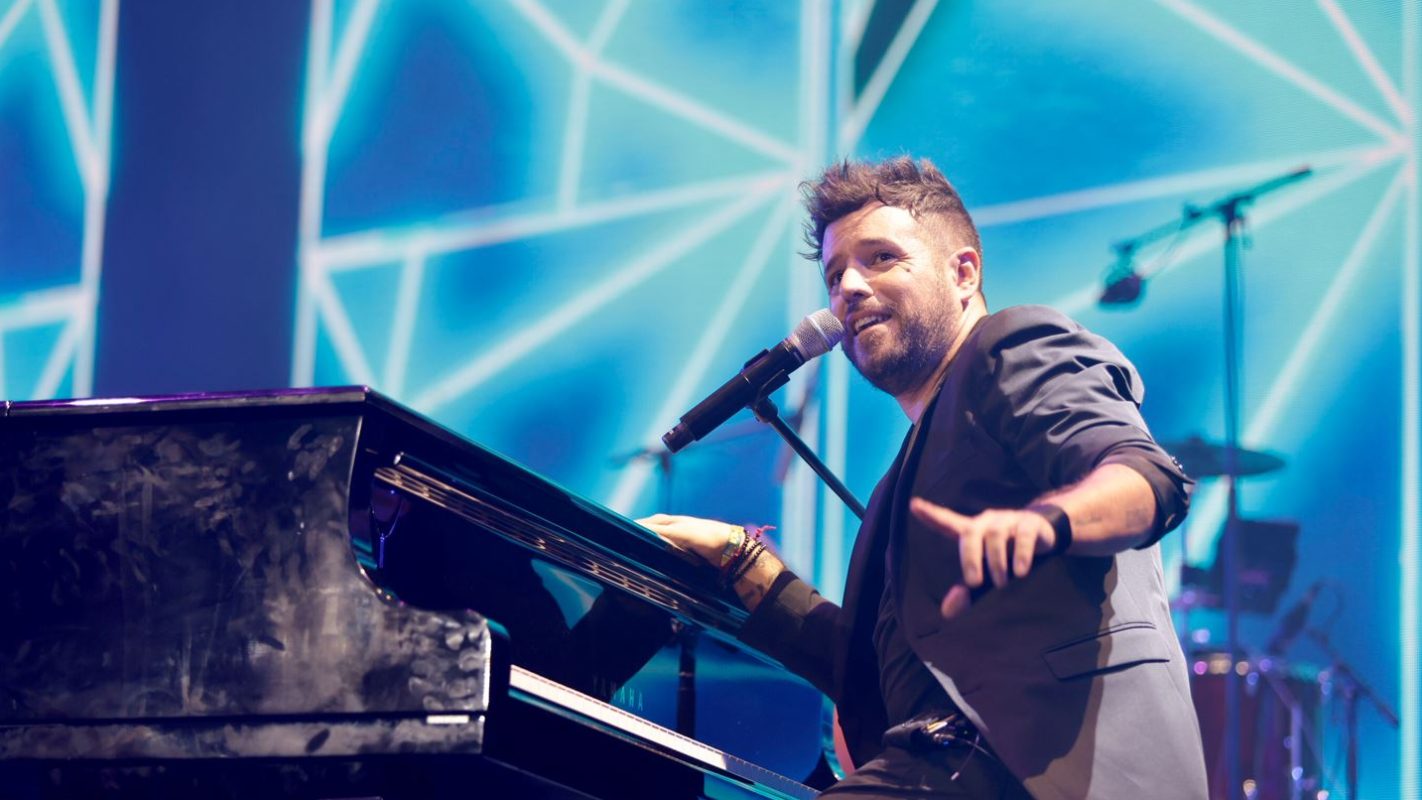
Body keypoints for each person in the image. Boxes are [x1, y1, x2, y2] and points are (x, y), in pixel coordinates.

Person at [639, 157, 1208, 799]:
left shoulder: (1014, 343)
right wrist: (745, 563)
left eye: (881, 258)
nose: (849, 287)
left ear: (963, 273)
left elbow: (1144, 475)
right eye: (835, 275)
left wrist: (1050, 522)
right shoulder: (904, 477)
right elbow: (870, 675)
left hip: (1032, 775)